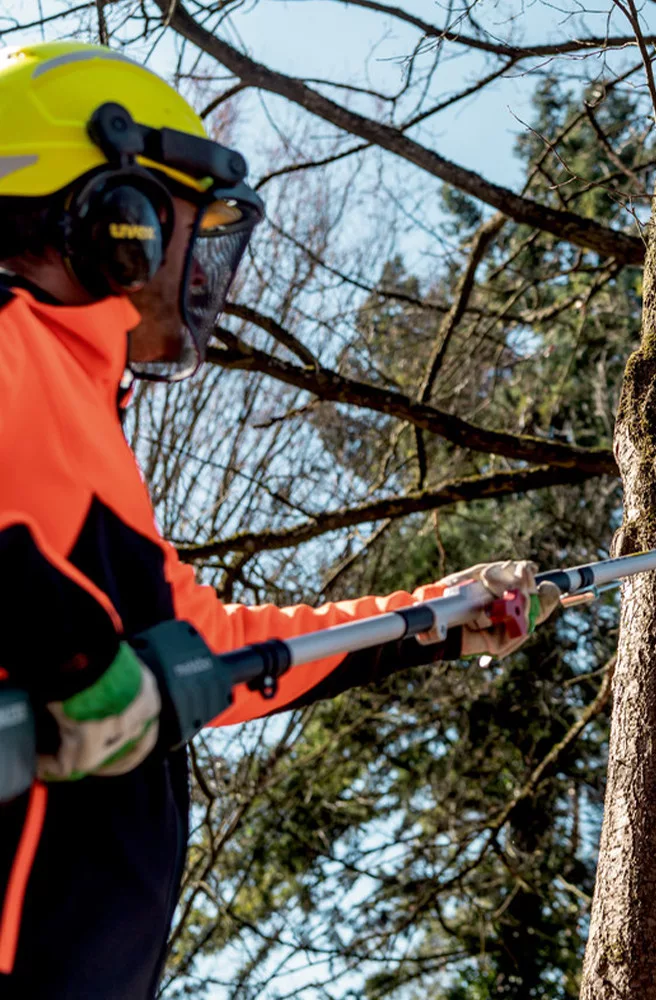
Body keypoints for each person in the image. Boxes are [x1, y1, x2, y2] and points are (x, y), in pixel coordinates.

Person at [0, 40, 560, 998]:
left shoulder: (88, 420)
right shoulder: (12, 339)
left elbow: (218, 653)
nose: (205, 273)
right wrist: (76, 655)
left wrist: (437, 620)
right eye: (193, 226)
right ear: (119, 215)